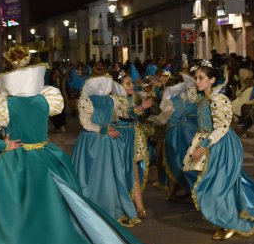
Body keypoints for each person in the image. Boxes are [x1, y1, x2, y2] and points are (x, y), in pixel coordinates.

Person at [0, 46, 152, 244]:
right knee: (53, 218)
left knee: (16, 219)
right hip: (46, 159)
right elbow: (53, 110)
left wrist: (3, 145)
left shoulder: (2, 103)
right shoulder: (47, 97)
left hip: (15, 164)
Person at [183, 61, 254, 241]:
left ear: (212, 80)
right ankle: (226, 221)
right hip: (210, 142)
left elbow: (222, 127)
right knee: (215, 184)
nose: (197, 81)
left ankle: (229, 223)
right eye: (196, 78)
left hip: (221, 144)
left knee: (218, 186)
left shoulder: (218, 99)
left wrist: (203, 147)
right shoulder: (204, 98)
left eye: (201, 78)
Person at [71, 62, 142, 225]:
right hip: (97, 139)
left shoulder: (108, 99)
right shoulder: (91, 99)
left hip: (103, 140)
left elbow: (123, 113)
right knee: (100, 176)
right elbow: (86, 123)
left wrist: (138, 109)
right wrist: (104, 130)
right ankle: (99, 209)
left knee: (107, 176)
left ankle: (109, 209)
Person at [148, 73, 198, 201]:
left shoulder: (170, 101)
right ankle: (186, 189)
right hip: (188, 131)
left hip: (174, 134)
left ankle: (176, 191)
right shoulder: (183, 99)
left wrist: (151, 118)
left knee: (172, 162)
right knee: (184, 161)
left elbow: (162, 120)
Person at [111, 70, 153, 219]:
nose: (131, 85)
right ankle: (122, 203)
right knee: (120, 172)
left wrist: (145, 104)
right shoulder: (113, 99)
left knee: (134, 171)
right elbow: (126, 112)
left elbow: (137, 112)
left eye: (131, 82)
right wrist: (141, 108)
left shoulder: (133, 96)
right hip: (119, 138)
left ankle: (140, 206)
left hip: (133, 136)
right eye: (127, 83)